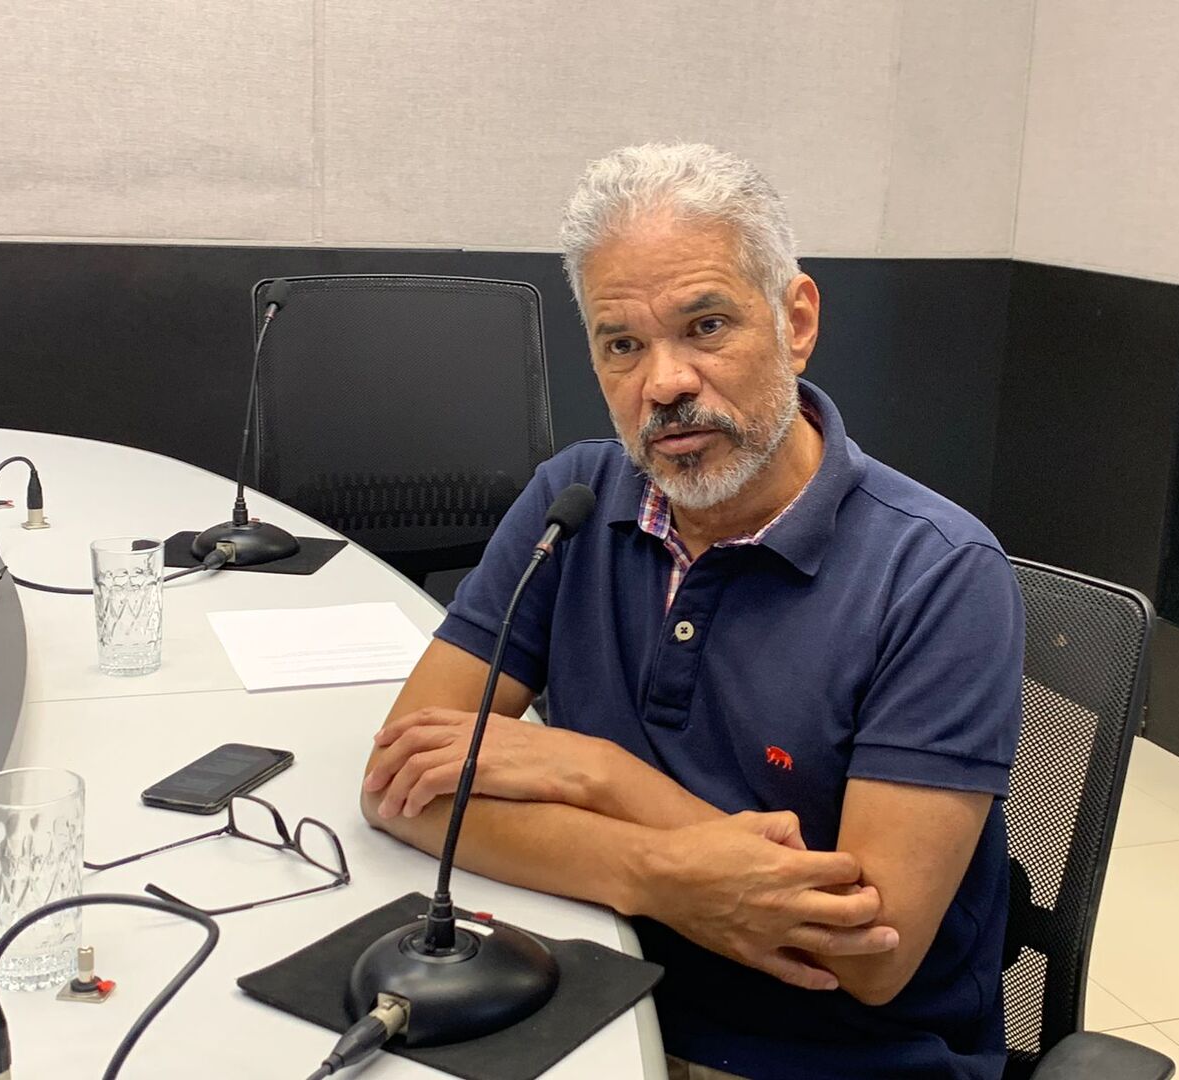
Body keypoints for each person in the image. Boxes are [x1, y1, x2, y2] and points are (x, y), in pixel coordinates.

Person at [360, 143, 1024, 1080]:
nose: (663, 384)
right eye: (622, 344)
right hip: (587, 1004)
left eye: (705, 326)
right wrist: (658, 876)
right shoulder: (575, 502)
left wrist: (599, 777)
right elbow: (405, 786)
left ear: (795, 321)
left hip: (831, 1057)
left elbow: (868, 953)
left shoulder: (939, 574)